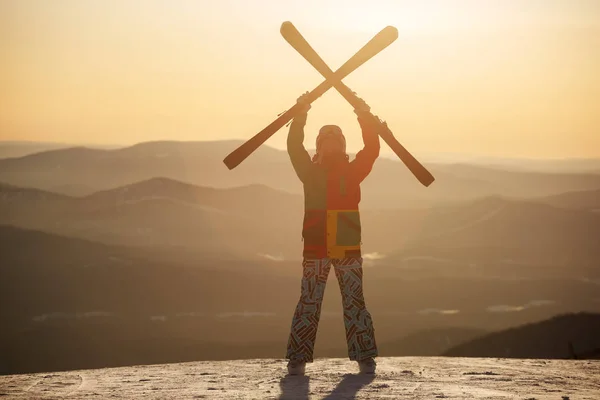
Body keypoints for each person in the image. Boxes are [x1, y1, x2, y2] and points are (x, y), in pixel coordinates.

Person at [285, 91, 381, 376]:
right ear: (320, 147)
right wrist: (300, 113)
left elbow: (372, 148)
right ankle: (297, 359)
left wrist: (363, 115)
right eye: (325, 142)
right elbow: (294, 146)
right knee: (309, 302)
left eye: (333, 141)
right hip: (317, 245)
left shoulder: (351, 172)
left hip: (345, 244)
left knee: (354, 301)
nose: (329, 146)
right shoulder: (311, 173)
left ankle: (364, 356)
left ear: (340, 146)